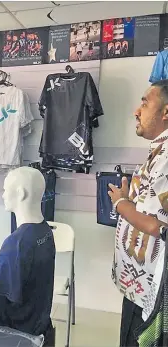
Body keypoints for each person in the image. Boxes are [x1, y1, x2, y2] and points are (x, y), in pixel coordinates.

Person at [108, 80, 168, 347]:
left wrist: (121, 204)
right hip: (138, 286)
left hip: (150, 292)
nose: (136, 111)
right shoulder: (159, 151)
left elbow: (160, 226)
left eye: (145, 102)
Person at [0, 167, 55, 346]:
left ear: (20, 193)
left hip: (18, 338)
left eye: (5, 189)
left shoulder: (15, 245)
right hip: (40, 329)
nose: (3, 195)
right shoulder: (45, 230)